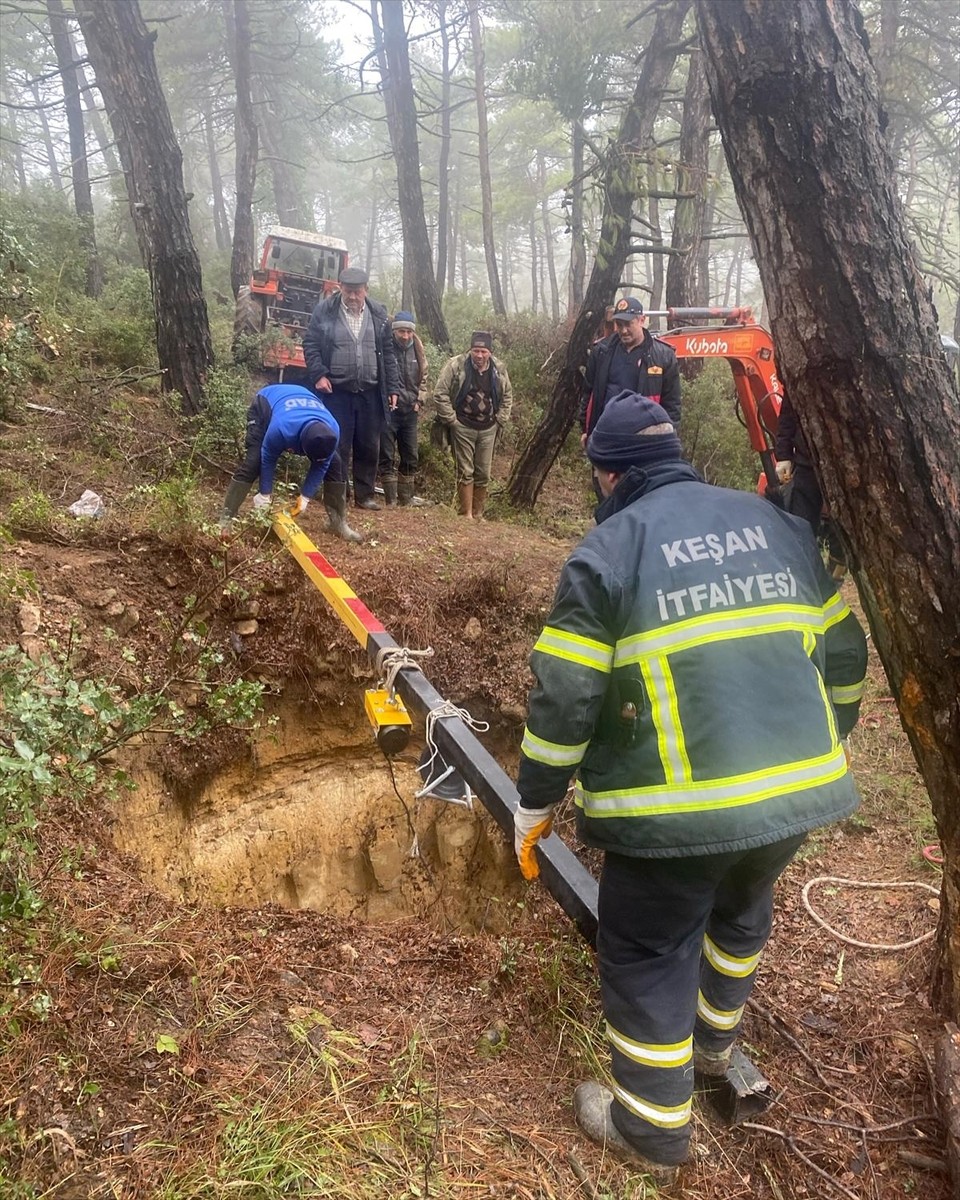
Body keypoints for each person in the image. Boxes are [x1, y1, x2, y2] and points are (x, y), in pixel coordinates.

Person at [513, 392, 867, 1185]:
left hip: (674, 817)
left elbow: (565, 697)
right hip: (793, 797)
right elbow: (845, 656)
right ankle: (713, 1048)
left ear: (608, 475)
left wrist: (536, 799)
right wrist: (828, 737)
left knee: (646, 949)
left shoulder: (609, 551)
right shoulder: (776, 525)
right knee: (740, 912)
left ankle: (651, 1128)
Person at [302, 265, 400, 511]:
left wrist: (393, 388)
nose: (353, 297)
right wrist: (319, 374)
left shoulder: (378, 313)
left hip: (371, 392)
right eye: (348, 291)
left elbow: (388, 353)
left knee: (369, 445)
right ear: (340, 288)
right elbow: (310, 344)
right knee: (338, 444)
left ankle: (365, 496)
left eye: (358, 291)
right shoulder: (325, 310)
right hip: (336, 391)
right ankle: (338, 493)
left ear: (366, 289)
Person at [219, 383, 361, 541]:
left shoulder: (333, 429)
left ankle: (337, 523)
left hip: (299, 402)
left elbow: (322, 464)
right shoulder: (281, 430)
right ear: (301, 446)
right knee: (254, 460)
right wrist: (265, 494)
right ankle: (226, 518)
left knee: (335, 463)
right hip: (266, 404)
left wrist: (305, 497)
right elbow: (268, 457)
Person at [433, 331, 513, 519]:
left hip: (488, 428)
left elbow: (507, 395)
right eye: (476, 350)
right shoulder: (456, 365)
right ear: (470, 350)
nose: (479, 355)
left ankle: (478, 514)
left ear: (490, 352)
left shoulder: (499, 369)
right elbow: (440, 393)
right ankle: (466, 514)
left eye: (483, 351)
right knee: (465, 471)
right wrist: (451, 420)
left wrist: (500, 420)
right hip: (462, 426)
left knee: (483, 473)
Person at [580, 296, 681, 442]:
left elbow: (672, 405)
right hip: (605, 436)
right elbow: (588, 393)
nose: (623, 330)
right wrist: (585, 430)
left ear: (642, 320)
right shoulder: (601, 351)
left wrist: (666, 439)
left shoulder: (664, 356)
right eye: (619, 324)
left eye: (628, 324)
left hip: (643, 440)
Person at [774, 395, 846, 579]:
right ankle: (801, 578)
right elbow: (787, 414)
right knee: (800, 528)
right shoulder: (799, 383)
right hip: (807, 464)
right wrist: (783, 455)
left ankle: (835, 576)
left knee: (844, 533)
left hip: (844, 466)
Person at [379, 311, 429, 506]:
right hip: (389, 411)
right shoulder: (386, 348)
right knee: (386, 454)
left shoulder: (418, 348)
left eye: (409, 332)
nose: (406, 336)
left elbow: (424, 377)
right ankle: (390, 500)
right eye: (401, 331)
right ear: (394, 331)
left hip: (411, 410)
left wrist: (420, 400)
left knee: (410, 455)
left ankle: (406, 500)